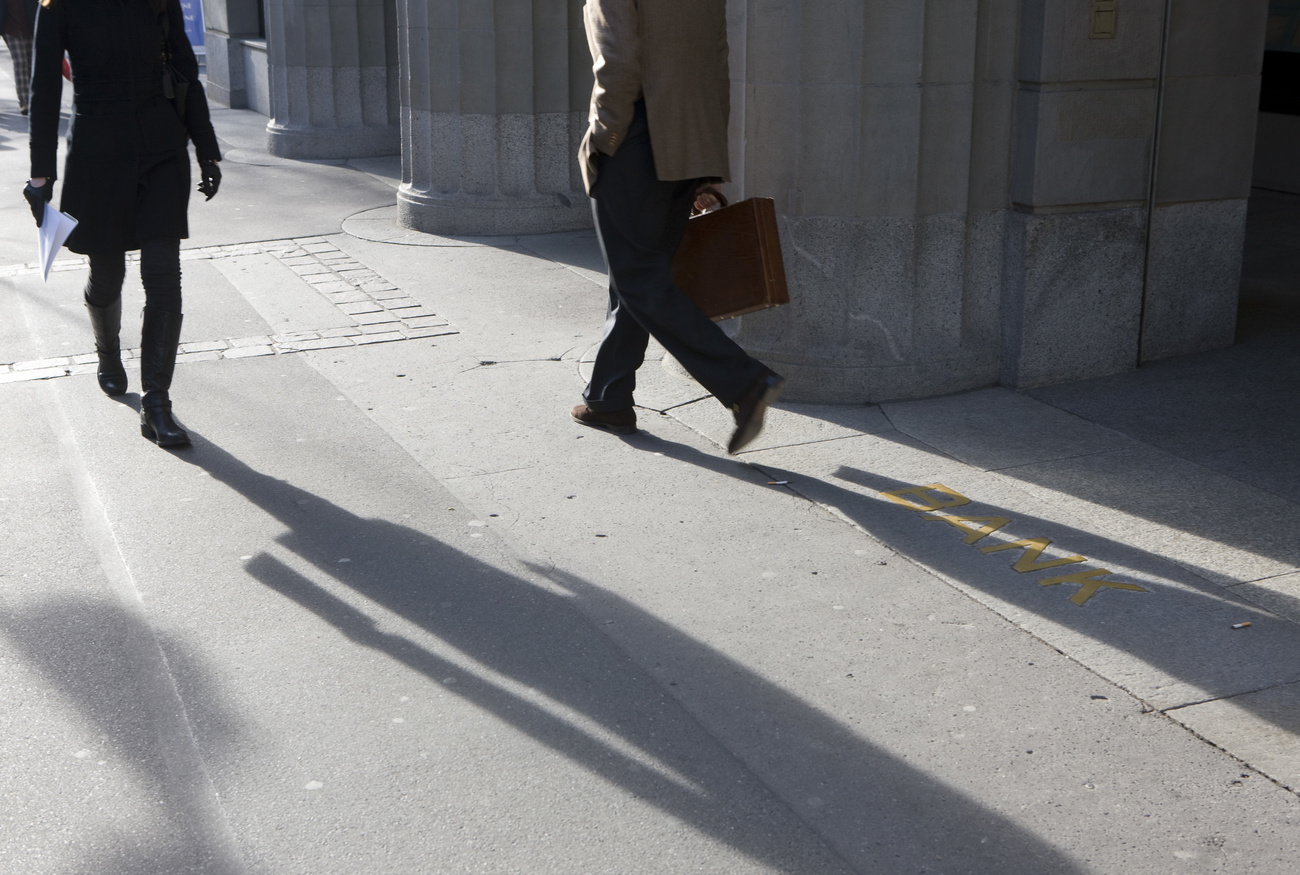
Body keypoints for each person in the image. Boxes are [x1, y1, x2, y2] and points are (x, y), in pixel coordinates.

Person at [572, 0, 785, 455]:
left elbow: (618, 62)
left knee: (637, 275)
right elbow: (716, 60)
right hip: (688, 136)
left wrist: (602, 140)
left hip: (634, 137)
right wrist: (704, 160)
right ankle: (608, 397)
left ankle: (745, 382)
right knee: (638, 274)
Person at [24, 0, 221, 447]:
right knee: (108, 273)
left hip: (161, 146)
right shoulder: (58, 5)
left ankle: (157, 404)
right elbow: (44, 88)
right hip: (97, 153)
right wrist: (41, 174)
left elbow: (185, 67)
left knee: (163, 273)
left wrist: (205, 147)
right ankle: (108, 352)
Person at [2, 0, 37, 114]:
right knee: (20, 62)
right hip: (10, 29)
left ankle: (35, 98)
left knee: (32, 63)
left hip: (29, 28)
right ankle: (24, 101)